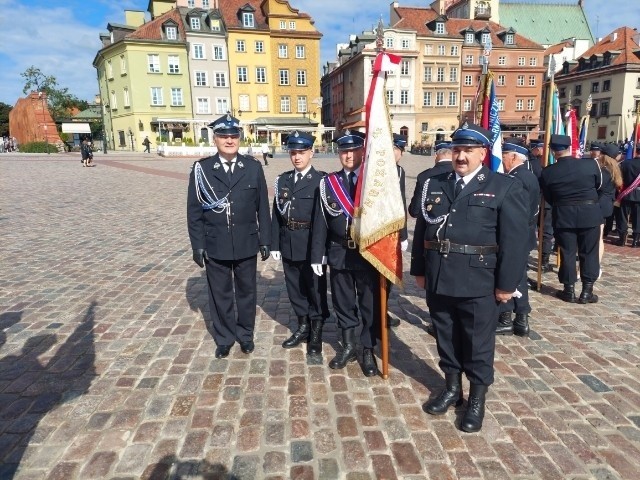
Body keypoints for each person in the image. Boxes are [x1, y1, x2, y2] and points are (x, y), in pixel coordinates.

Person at [411, 123, 528, 433]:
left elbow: (515, 241)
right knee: (445, 336)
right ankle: (452, 388)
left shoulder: (503, 186)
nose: (461, 156)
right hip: (439, 275)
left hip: (478, 280)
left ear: (483, 153)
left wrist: (506, 284)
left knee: (477, 342)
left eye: (468, 151)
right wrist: (419, 270)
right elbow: (423, 229)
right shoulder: (435, 183)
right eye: (457, 150)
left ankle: (477, 398)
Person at [187, 113, 271, 359]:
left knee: (247, 292)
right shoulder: (202, 169)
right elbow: (193, 211)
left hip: (246, 240)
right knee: (220, 293)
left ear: (239, 139)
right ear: (215, 139)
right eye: (224, 136)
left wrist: (265, 239)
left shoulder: (253, 167)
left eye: (233, 136)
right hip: (216, 242)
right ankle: (224, 337)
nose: (229, 140)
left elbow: (262, 208)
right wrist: (197, 245)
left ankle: (245, 335)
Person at [310, 130, 380, 377]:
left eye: (353, 150)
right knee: (342, 302)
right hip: (339, 251)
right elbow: (320, 222)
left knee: (369, 304)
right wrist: (317, 254)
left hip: (368, 252)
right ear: (338, 153)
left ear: (362, 151)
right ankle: (349, 345)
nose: (348, 155)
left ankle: (368, 349)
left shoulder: (374, 182)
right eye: (343, 151)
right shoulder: (329, 183)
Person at [270, 131, 329, 355]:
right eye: (293, 152)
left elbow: (324, 219)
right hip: (288, 243)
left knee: (315, 289)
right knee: (294, 288)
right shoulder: (283, 180)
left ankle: (316, 328)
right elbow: (276, 213)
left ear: (311, 153)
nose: (297, 157)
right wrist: (275, 243)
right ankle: (303, 324)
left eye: (301, 152)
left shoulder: (321, 181)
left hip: (311, 244)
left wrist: (321, 251)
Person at [540, 134, 602, 303]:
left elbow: (549, 197)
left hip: (563, 213)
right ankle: (587, 291)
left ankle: (569, 290)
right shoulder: (590, 164)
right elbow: (598, 186)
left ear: (553, 151)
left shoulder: (548, 172)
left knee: (567, 252)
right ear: (570, 148)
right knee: (589, 252)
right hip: (589, 213)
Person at [495, 137, 540, 337]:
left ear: (513, 157)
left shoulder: (515, 179)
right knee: (519, 274)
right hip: (526, 232)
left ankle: (507, 318)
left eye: (503, 156)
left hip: (516, 234)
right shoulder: (528, 175)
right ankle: (521, 319)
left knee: (511, 274)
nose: (502, 160)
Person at [409, 139, 453, 337]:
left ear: (437, 154)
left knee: (433, 284)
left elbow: (415, 210)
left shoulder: (425, 177)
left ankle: (437, 323)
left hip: (432, 239)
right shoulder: (461, 176)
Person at [386, 133, 409, 328]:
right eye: (396, 149)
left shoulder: (399, 171)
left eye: (398, 150)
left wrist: (403, 234)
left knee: (387, 274)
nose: (397, 154)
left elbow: (400, 203)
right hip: (381, 230)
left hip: (392, 231)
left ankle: (381, 310)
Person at [528, 139, 553, 273]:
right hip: (540, 201)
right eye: (542, 148)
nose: (545, 151)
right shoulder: (533, 163)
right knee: (544, 232)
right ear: (536, 149)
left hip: (543, 202)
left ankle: (544, 260)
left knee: (546, 233)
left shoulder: (536, 162)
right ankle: (543, 261)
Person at [597, 144, 623, 265]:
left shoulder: (602, 171)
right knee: (599, 238)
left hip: (598, 205)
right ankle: (597, 263)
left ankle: (593, 265)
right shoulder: (615, 170)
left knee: (595, 238)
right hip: (607, 205)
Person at [617, 142, 640, 246]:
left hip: (626, 193)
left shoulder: (626, 163)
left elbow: (620, 178)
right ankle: (635, 240)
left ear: (636, 151)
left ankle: (622, 239)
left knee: (623, 217)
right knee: (638, 218)